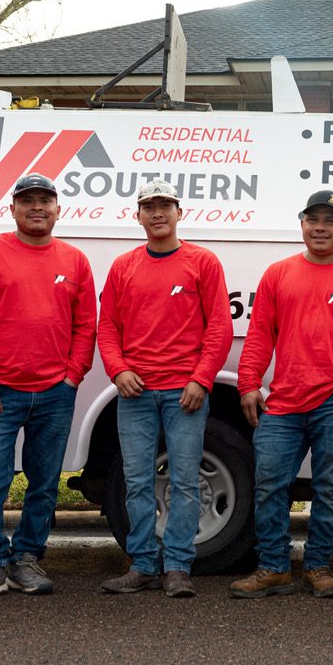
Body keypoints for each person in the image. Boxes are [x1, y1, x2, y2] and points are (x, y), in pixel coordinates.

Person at [230, 190, 333, 599]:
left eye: (331, 220)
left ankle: (318, 566)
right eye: (313, 219)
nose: (321, 227)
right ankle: (274, 568)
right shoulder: (278, 274)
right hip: (283, 403)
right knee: (268, 484)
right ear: (302, 224)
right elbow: (260, 333)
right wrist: (248, 382)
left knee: (329, 488)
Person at [0, 173, 97, 602]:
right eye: (27, 200)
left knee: (44, 482)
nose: (37, 207)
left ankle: (27, 558)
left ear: (58, 209)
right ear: (12, 209)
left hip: (55, 393)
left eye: (45, 201)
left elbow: (85, 323)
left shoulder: (74, 260)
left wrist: (73, 376)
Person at [96, 180, 232, 598]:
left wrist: (201, 379)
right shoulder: (123, 266)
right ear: (137, 215)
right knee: (136, 481)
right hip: (135, 394)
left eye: (165, 206)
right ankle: (141, 565)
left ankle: (176, 567)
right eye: (149, 207)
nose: (158, 213)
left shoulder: (202, 262)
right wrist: (117, 370)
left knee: (186, 482)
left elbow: (220, 328)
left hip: (184, 393)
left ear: (179, 213)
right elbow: (107, 327)